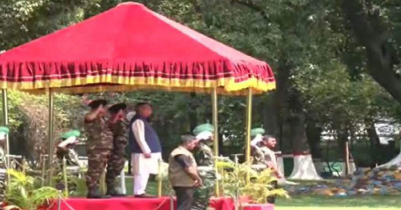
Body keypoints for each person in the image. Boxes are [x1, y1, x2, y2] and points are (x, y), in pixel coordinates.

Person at [129, 102, 162, 198]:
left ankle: (141, 190)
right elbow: (139, 136)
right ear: (141, 110)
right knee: (141, 171)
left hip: (147, 152)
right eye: (148, 109)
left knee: (146, 171)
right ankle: (139, 191)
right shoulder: (138, 121)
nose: (150, 111)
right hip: (142, 152)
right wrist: (146, 149)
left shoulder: (144, 121)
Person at [84, 99, 113, 199]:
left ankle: (95, 189)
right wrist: (98, 109)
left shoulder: (102, 119)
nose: (105, 110)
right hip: (96, 148)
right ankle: (92, 190)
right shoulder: (91, 117)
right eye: (103, 108)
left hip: (104, 149)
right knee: (94, 170)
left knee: (99, 169)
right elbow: (89, 117)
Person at [168, 135, 202, 210]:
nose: (194, 146)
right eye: (193, 143)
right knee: (184, 206)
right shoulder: (180, 153)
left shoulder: (183, 153)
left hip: (185, 183)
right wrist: (198, 179)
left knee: (186, 205)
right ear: (188, 142)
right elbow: (188, 169)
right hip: (183, 183)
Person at [106, 103, 129, 197]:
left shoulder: (122, 122)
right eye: (123, 111)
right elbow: (111, 126)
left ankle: (113, 188)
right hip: (115, 148)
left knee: (118, 167)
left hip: (121, 149)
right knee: (113, 167)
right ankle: (111, 189)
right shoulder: (114, 122)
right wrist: (116, 116)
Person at [192, 123, 217, 210]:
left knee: (205, 202)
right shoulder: (200, 146)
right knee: (199, 202)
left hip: (208, 177)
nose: (213, 136)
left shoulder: (205, 147)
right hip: (204, 177)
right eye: (211, 133)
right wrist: (200, 137)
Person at [259, 135, 283, 204]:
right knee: (269, 197)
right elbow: (270, 164)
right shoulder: (265, 151)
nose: (275, 143)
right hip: (268, 177)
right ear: (265, 142)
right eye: (272, 141)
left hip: (270, 177)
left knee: (270, 197)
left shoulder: (268, 151)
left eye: (275, 141)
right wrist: (278, 173)